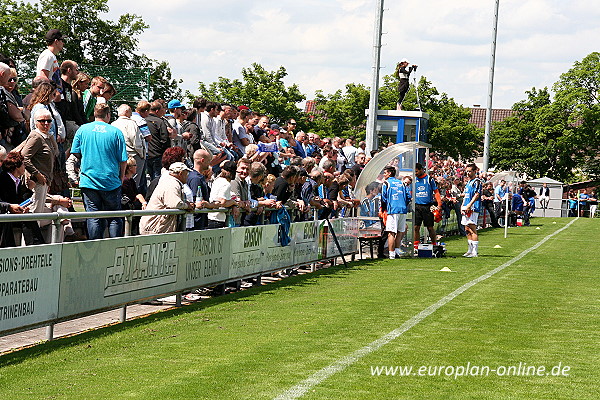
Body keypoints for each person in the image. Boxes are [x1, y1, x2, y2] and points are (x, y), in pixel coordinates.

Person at [70, 103, 128, 239]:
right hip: (110, 181)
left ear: (94, 114)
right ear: (108, 115)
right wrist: (121, 177)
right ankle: (114, 248)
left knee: (93, 215)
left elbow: (75, 153)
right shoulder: (115, 132)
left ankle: (94, 248)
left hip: (89, 180)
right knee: (114, 217)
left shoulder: (82, 130)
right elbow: (123, 159)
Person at [21, 108, 59, 217]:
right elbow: (24, 157)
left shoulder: (47, 136)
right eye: (42, 121)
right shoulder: (36, 137)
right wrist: (37, 174)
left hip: (44, 182)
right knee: (34, 215)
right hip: (36, 183)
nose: (46, 124)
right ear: (36, 123)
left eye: (49, 121)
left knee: (39, 214)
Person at [139, 162, 195, 235]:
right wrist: (187, 206)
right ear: (181, 173)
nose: (187, 176)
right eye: (186, 174)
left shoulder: (170, 181)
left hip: (156, 226)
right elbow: (174, 204)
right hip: (155, 227)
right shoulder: (172, 184)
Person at [381, 166, 411, 259]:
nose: (384, 175)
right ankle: (397, 251)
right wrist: (403, 204)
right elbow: (408, 196)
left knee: (391, 232)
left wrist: (384, 208)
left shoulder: (386, 183)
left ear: (389, 173)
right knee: (400, 231)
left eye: (385, 173)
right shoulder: (401, 183)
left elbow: (383, 197)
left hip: (393, 210)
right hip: (402, 210)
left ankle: (391, 254)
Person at [413, 162, 442, 249]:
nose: (416, 173)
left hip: (427, 206)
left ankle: (434, 244)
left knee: (430, 227)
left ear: (422, 170)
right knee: (416, 227)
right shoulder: (414, 179)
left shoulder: (429, 179)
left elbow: (436, 192)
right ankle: (416, 246)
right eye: (414, 172)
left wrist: (439, 204)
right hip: (417, 206)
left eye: (417, 171)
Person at [208, 160, 240, 229]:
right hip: (218, 220)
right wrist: (234, 202)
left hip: (211, 217)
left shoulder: (217, 180)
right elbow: (222, 202)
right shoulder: (226, 184)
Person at [461, 164, 483, 258]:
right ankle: (469, 250)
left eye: (470, 171)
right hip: (466, 207)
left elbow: (477, 194)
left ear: (474, 171)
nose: (468, 173)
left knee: (472, 228)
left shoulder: (477, 181)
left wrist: (469, 205)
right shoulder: (468, 182)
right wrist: (462, 205)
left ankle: (475, 251)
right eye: (467, 171)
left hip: (473, 208)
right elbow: (466, 195)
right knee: (467, 229)